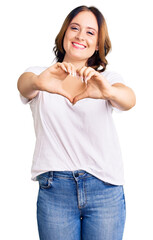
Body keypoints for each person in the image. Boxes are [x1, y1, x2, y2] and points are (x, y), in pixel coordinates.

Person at [17, 5, 136, 240]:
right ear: (64, 34)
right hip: (55, 190)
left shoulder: (108, 80)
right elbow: (24, 84)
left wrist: (108, 92)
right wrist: (41, 83)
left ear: (98, 45)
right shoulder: (41, 75)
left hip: (104, 189)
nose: (81, 36)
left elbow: (129, 99)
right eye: (75, 28)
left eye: (91, 32)